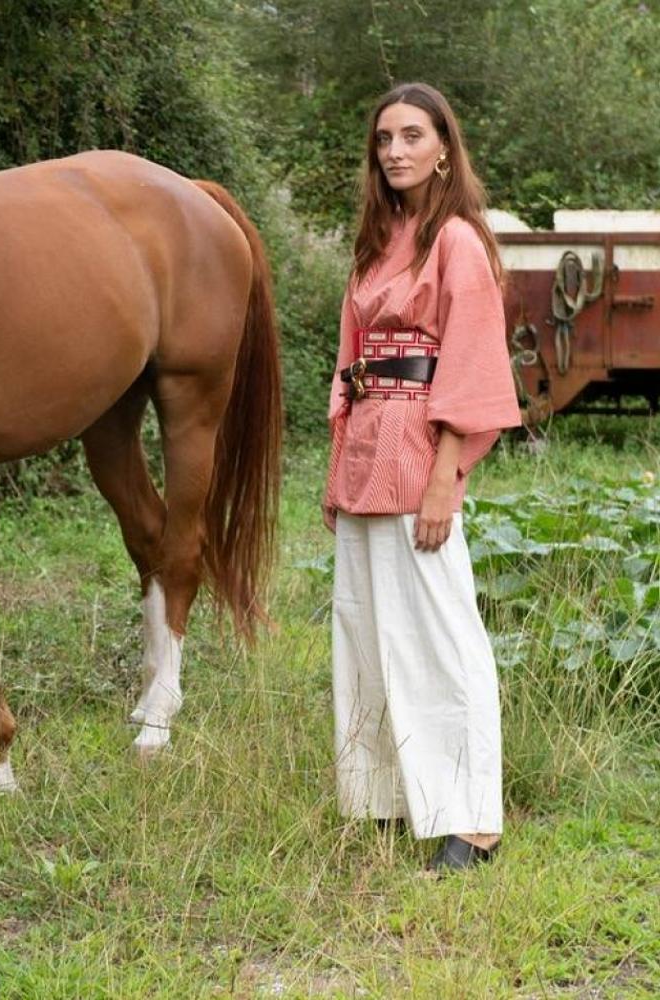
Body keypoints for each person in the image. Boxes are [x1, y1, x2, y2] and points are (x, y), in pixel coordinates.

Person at [323, 83, 521, 873]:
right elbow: (348, 363)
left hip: (421, 447)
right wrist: (337, 472)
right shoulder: (378, 241)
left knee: (441, 636)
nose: (395, 151)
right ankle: (386, 797)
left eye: (412, 136)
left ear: (444, 146)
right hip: (366, 447)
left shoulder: (459, 243)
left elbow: (471, 363)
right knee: (366, 627)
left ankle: (470, 819)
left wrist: (448, 476)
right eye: (383, 140)